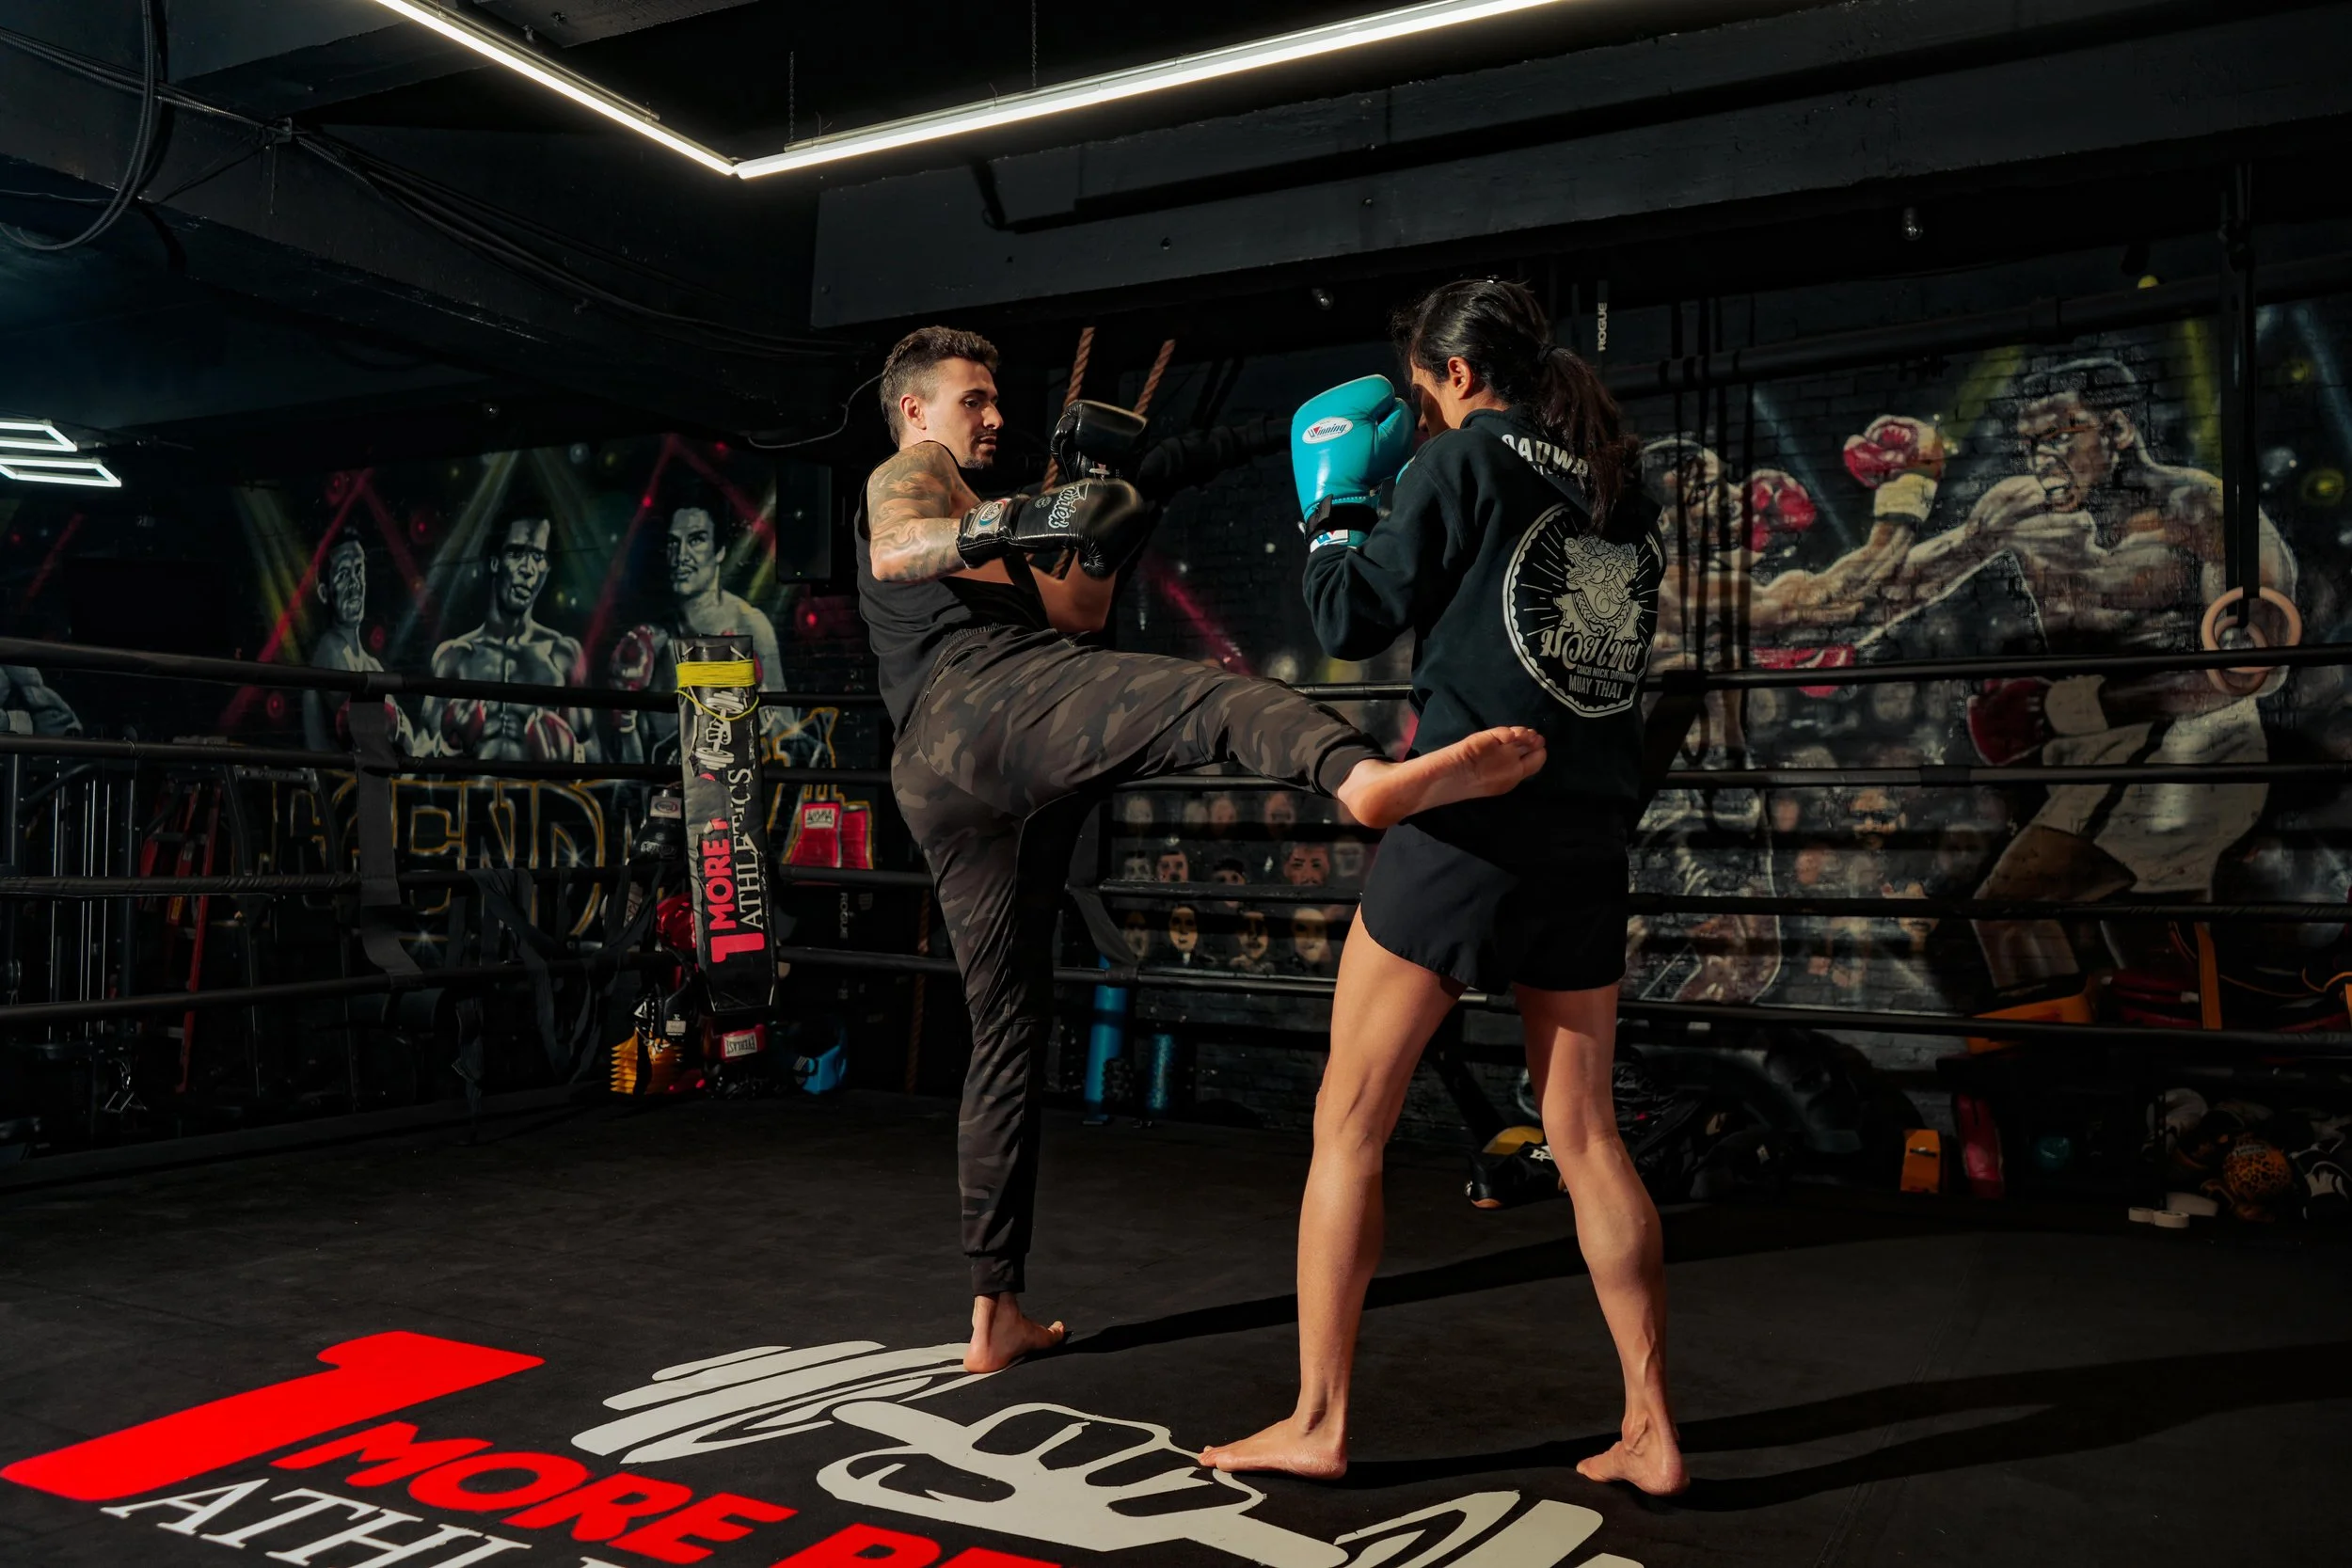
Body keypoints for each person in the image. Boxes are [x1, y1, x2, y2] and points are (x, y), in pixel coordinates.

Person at [854, 325, 1546, 1375]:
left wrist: (1101, 526)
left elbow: (1077, 611)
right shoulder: (912, 471)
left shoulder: (985, 524)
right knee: (1210, 694)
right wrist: (1039, 510)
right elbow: (895, 549)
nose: (992, 416)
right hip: (982, 709)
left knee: (1005, 1030)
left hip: (957, 773)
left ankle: (994, 1308)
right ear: (914, 408)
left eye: (995, 399)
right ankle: (1358, 776)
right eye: (971, 399)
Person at [1200, 279, 1683, 1494]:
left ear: (1459, 377)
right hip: (1586, 834)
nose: (1422, 416)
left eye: (1424, 395)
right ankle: (1650, 1422)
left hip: (1466, 822)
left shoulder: (1468, 459)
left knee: (1348, 1119)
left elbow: (1352, 613)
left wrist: (1331, 509)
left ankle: (1319, 1415)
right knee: (1584, 1134)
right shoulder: (1619, 488)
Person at [425, 515, 598, 763]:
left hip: (542, 799)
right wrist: (446, 747)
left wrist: (574, 755)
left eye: (537, 557)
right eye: (517, 554)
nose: (527, 569)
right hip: (468, 797)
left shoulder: (562, 656)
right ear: (495, 563)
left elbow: (598, 761)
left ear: (546, 570)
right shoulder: (455, 657)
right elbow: (414, 763)